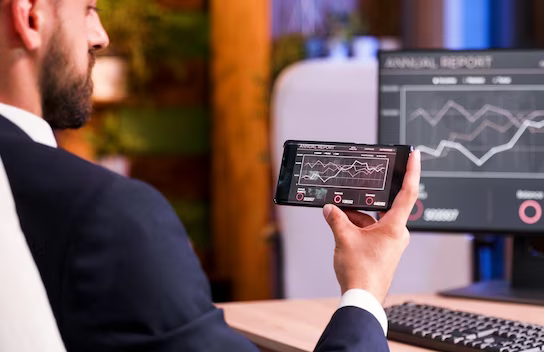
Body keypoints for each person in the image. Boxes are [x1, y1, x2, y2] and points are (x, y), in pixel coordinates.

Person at [0, 0, 422, 351]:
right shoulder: (106, 215)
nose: (101, 35)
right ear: (29, 17)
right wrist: (365, 289)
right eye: (88, 9)